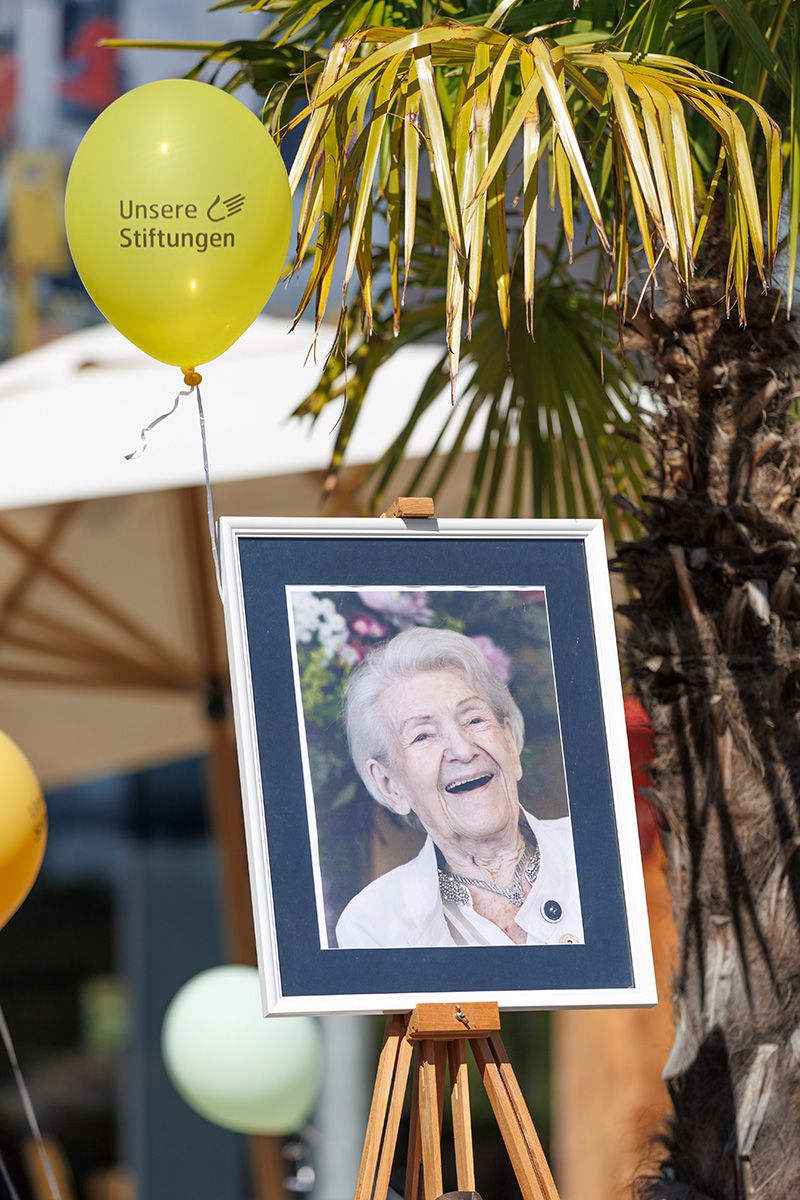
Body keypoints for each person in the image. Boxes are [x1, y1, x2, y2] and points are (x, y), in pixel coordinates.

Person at [335, 627, 584, 949]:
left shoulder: (597, 851)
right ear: (390, 785)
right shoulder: (373, 923)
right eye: (423, 735)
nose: (463, 750)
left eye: (474, 720)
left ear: (509, 742)